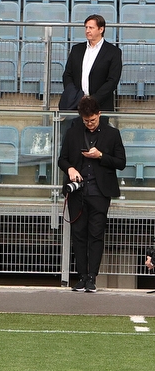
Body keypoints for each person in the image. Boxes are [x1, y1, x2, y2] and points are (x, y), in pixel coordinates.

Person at [58, 95, 126, 292]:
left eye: (92, 120)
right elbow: (62, 159)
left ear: (99, 114)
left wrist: (101, 156)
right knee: (78, 235)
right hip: (77, 193)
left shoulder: (113, 134)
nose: (89, 123)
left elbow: (121, 163)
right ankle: (81, 276)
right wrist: (70, 169)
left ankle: (92, 277)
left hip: (100, 192)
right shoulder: (72, 133)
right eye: (86, 120)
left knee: (96, 235)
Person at [60, 14, 123, 112]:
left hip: (100, 106)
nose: (87, 31)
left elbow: (112, 81)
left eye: (91, 28)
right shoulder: (76, 49)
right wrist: (74, 95)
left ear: (101, 29)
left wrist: (93, 100)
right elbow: (67, 75)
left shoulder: (113, 52)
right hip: (76, 104)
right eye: (86, 28)